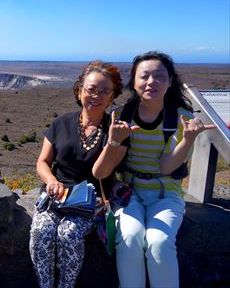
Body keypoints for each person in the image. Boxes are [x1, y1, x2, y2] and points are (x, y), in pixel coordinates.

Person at [92, 51, 215, 287]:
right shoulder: (123, 116)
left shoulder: (181, 119)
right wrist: (115, 139)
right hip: (129, 192)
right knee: (129, 236)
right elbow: (105, 169)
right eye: (144, 76)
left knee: (159, 241)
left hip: (165, 193)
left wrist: (187, 140)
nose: (151, 82)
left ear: (170, 81)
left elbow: (167, 166)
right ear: (134, 82)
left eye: (159, 76)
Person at [29, 60, 123, 288]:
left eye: (104, 91)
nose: (96, 96)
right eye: (91, 89)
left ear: (112, 97)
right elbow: (42, 161)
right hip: (56, 196)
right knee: (42, 229)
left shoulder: (116, 130)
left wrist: (113, 140)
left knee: (69, 232)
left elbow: (105, 171)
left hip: (91, 202)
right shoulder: (61, 124)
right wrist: (51, 180)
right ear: (80, 90)